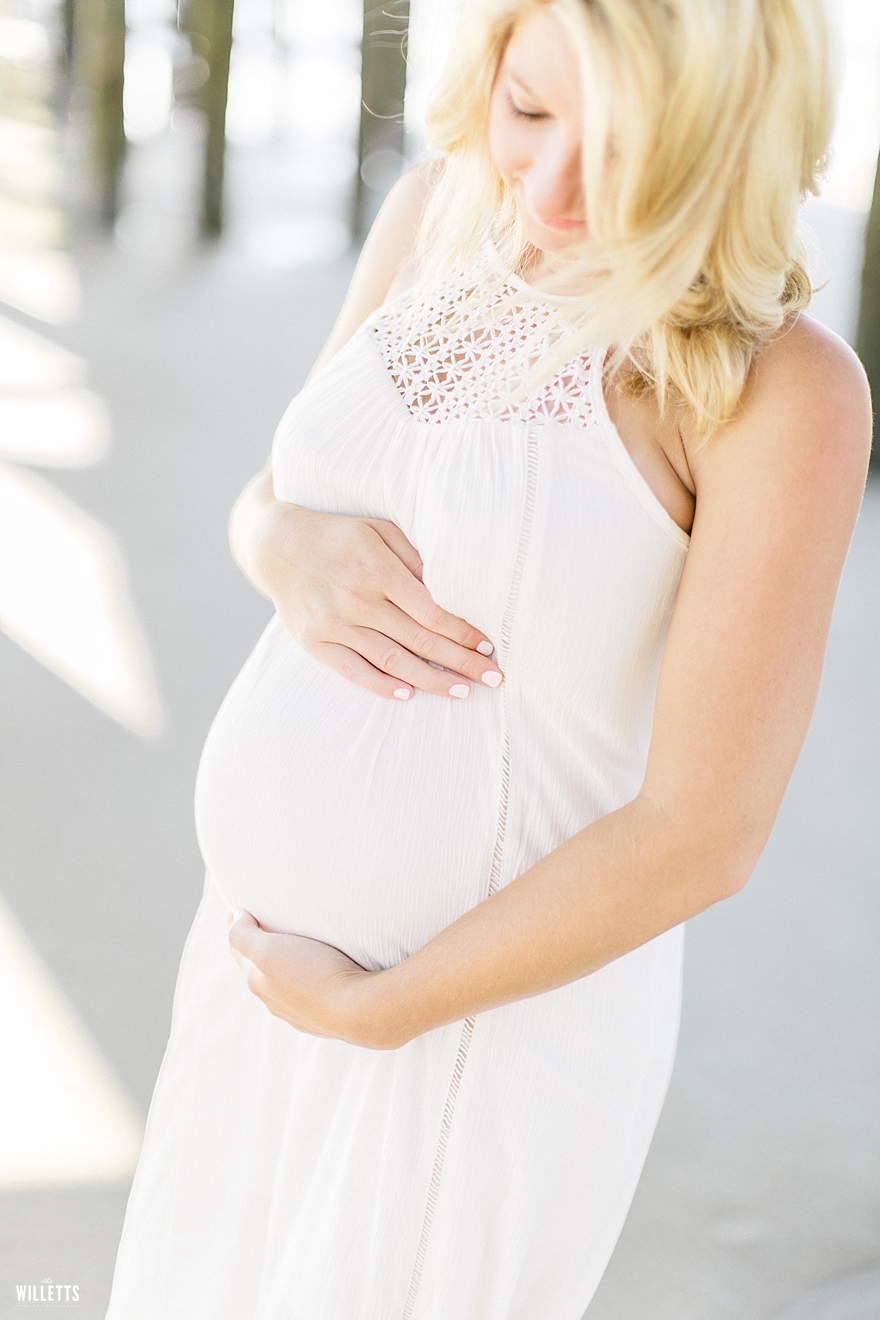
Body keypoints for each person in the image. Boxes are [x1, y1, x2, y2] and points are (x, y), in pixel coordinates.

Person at [105, 1, 871, 1317]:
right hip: (250, 970)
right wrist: (278, 543)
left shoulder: (776, 389)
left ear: (729, 137)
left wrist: (386, 1009)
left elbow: (705, 832)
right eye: (529, 111)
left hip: (468, 1037)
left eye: (627, 148)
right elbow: (282, 489)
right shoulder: (438, 213)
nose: (555, 187)